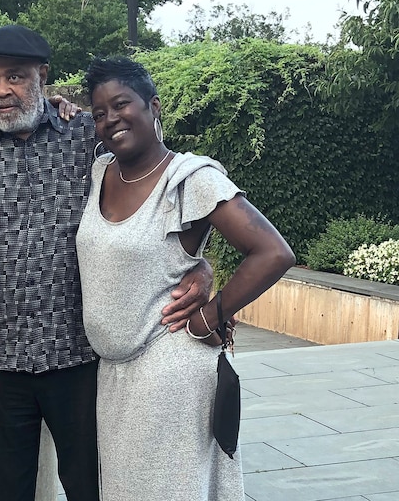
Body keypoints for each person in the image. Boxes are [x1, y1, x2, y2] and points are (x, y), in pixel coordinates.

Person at [0, 25, 213, 501]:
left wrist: (198, 262)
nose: (1, 90)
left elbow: (153, 194)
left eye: (15, 76)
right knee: (9, 488)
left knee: (89, 483)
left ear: (43, 76)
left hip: (76, 351)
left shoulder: (87, 137)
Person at [77, 56, 296, 500]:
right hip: (114, 375)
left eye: (122, 105)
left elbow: (273, 252)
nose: (110, 120)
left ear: (153, 107)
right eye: (99, 113)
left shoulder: (189, 178)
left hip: (169, 369)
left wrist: (212, 313)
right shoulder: (101, 171)